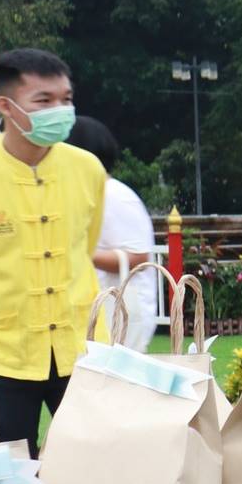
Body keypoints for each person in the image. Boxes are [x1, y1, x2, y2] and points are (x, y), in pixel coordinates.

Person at [0, 49, 104, 455]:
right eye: (44, 101)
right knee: (7, 476)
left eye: (66, 99)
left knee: (94, 464)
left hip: (81, 349)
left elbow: (82, 251)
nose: (60, 110)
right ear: (6, 106)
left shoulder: (88, 170)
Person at [66, 114, 157, 351]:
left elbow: (138, 257)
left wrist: (79, 252)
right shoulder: (88, 193)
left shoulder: (113, 195)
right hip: (94, 311)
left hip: (118, 314)